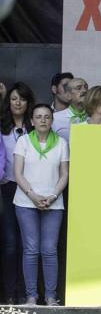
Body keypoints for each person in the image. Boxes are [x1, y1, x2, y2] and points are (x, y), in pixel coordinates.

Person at [13, 104, 69, 306]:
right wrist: (33, 196)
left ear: (52, 120)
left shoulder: (61, 143)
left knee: (49, 249)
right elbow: (18, 173)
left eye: (47, 117)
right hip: (26, 202)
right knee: (31, 249)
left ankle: (51, 296)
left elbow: (64, 174)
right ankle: (31, 297)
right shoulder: (23, 141)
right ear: (32, 120)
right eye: (39, 117)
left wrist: (53, 195)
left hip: (53, 203)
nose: (43, 120)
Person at [0, 82, 34, 304]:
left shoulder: (36, 126)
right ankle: (9, 292)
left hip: (32, 189)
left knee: (27, 244)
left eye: (22, 98)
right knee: (10, 242)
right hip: (8, 186)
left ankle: (26, 291)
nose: (18, 102)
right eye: (13, 99)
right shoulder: (2, 126)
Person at [51, 78, 88, 142]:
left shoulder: (97, 117)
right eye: (78, 88)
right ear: (68, 95)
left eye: (86, 87)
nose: (84, 91)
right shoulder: (55, 118)